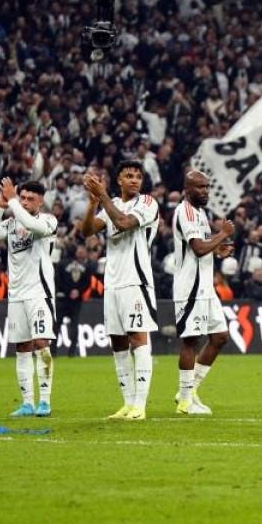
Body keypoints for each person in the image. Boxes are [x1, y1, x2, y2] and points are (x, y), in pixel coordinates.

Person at [79, 160, 159, 421]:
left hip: (136, 281)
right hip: (113, 283)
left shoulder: (147, 203)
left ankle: (140, 405)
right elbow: (86, 231)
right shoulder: (111, 203)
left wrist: (102, 196)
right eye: (129, 176)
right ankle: (127, 403)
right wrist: (92, 204)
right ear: (119, 181)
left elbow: (124, 223)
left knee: (138, 339)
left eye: (138, 176)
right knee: (118, 342)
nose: (135, 180)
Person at [0, 178, 58, 417]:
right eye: (22, 197)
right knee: (22, 347)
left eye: (30, 199)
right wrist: (0, 207)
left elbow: (33, 226)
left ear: (40, 201)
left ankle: (44, 401)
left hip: (39, 293)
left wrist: (12, 200)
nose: (24, 202)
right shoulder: (12, 222)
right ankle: (27, 403)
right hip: (16, 295)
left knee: (41, 343)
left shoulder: (48, 220)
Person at [171, 170, 235, 416]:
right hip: (191, 288)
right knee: (191, 341)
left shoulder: (200, 213)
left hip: (206, 287)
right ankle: (185, 402)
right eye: (200, 187)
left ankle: (189, 391)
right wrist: (223, 234)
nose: (206, 191)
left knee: (220, 337)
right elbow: (197, 248)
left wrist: (218, 249)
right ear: (187, 189)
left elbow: (202, 247)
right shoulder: (186, 212)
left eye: (207, 186)